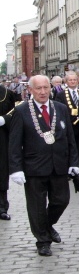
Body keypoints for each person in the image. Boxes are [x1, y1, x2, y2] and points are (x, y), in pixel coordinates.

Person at [8, 75, 79, 256]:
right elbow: (15, 143)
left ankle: (47, 225)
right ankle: (42, 241)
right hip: (34, 166)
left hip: (59, 165)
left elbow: (70, 138)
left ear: (50, 88)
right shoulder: (22, 111)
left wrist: (74, 162)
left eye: (45, 88)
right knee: (37, 206)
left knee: (61, 200)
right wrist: (15, 169)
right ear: (30, 90)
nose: (42, 92)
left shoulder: (61, 109)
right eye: (38, 88)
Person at [55, 71, 79, 178]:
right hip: (69, 125)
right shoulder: (60, 95)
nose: (72, 82)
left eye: (74, 80)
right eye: (70, 80)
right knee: (69, 148)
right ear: (66, 82)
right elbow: (59, 111)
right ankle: (69, 170)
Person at [0, 84, 21, 220]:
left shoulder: (7, 93)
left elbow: (17, 111)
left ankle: (1, 206)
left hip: (1, 138)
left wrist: (5, 119)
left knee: (1, 172)